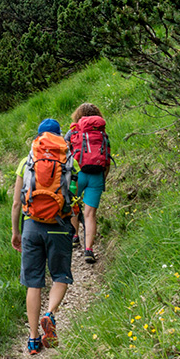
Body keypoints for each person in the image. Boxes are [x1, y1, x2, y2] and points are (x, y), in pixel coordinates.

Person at [11, 118, 75, 355]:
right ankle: (50, 314)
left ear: (37, 137)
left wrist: (16, 232)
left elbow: (17, 202)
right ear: (60, 136)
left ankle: (33, 339)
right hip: (59, 225)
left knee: (33, 282)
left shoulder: (26, 161)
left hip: (32, 226)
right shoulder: (69, 160)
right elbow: (75, 193)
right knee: (60, 275)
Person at [67, 103, 111, 265]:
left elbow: (65, 154)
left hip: (78, 175)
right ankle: (89, 250)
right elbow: (107, 160)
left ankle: (75, 236)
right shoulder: (102, 133)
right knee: (90, 214)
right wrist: (102, 179)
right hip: (97, 176)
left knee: (73, 206)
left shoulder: (74, 131)